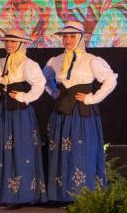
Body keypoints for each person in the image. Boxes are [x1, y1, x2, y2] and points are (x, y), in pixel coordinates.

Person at [44, 21, 118, 203]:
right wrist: (56, 94)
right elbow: (43, 80)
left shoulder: (91, 60)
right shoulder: (56, 60)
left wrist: (92, 98)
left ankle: (83, 195)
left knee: (82, 151)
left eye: (72, 36)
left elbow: (110, 80)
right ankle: (63, 195)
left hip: (82, 113)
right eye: (65, 36)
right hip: (62, 113)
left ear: (80, 38)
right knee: (61, 151)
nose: (67, 40)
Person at [0, 29, 46, 207]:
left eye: (13, 42)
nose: (9, 45)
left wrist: (23, 97)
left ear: (21, 44)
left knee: (21, 151)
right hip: (2, 113)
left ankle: (21, 195)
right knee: (2, 151)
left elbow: (40, 84)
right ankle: (4, 194)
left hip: (20, 114)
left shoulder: (29, 64)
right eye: (7, 41)